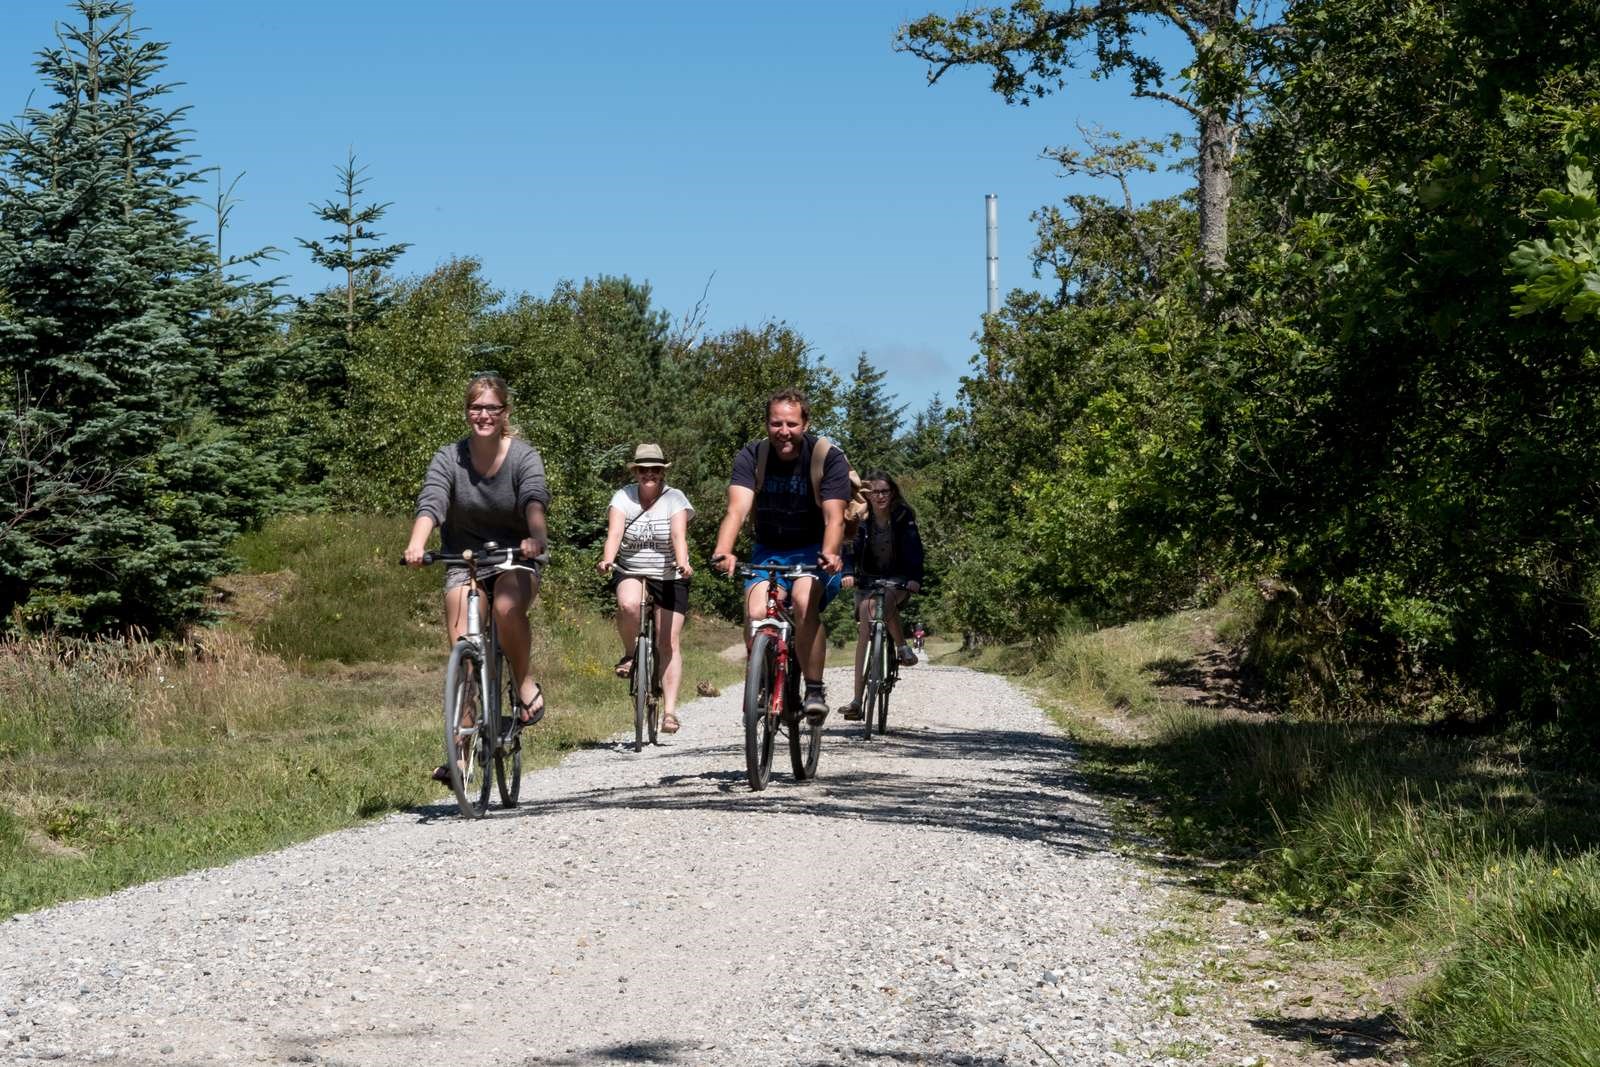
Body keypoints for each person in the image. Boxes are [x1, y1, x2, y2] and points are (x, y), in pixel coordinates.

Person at [403, 372, 549, 781]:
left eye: (491, 408)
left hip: (515, 556)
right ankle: (461, 755)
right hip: (464, 560)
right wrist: (417, 544)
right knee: (464, 649)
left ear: (505, 412)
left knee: (506, 606)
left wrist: (536, 538)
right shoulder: (449, 457)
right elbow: (432, 500)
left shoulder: (523, 457)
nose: (483, 415)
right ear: (467, 411)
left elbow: (534, 499)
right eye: (475, 407)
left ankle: (524, 684)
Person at [711, 388, 849, 719]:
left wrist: (831, 553)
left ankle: (813, 689)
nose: (783, 431)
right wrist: (724, 550)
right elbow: (737, 510)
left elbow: (835, 517)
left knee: (803, 602)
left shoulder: (827, 457)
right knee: (756, 611)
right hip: (768, 549)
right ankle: (762, 678)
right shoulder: (752, 456)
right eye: (776, 424)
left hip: (813, 550)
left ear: (805, 423)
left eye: (791, 424)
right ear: (766, 424)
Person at [596, 443, 695, 733]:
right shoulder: (623, 497)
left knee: (668, 642)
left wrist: (683, 563)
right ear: (636, 472)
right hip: (632, 570)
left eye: (654, 469)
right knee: (628, 604)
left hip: (669, 574)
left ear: (662, 472)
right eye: (643, 469)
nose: (649, 474)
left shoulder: (675, 498)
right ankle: (631, 653)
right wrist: (608, 559)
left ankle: (670, 712)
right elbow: (615, 532)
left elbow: (678, 535)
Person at [837, 472, 924, 720]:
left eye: (885, 491)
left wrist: (914, 577)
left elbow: (915, 549)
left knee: (882, 601)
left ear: (892, 493)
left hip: (898, 579)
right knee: (865, 629)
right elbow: (848, 547)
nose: (880, 496)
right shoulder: (860, 518)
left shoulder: (903, 516)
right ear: (868, 496)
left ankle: (902, 647)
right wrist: (847, 573)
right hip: (868, 579)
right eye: (875, 492)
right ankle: (857, 701)